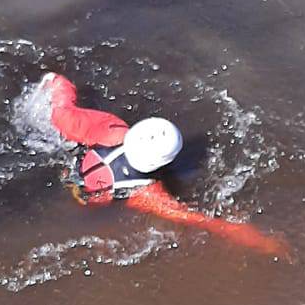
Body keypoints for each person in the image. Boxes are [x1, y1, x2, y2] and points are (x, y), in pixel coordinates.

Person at [40, 71, 290, 259]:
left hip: (64, 173)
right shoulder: (145, 194)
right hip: (85, 205)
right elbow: (205, 221)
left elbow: (60, 112)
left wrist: (57, 81)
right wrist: (264, 243)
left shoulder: (109, 129)